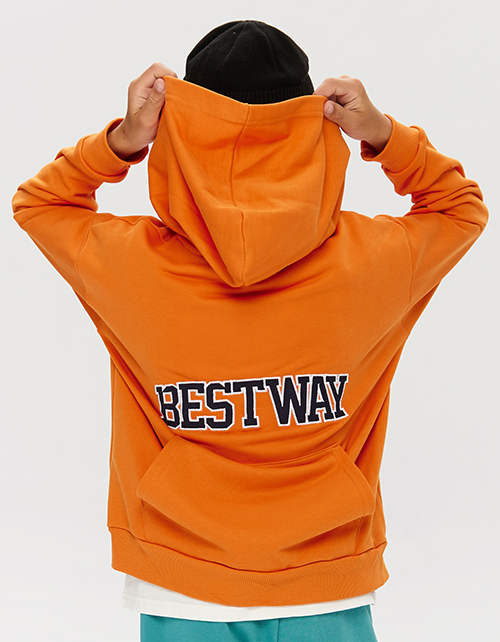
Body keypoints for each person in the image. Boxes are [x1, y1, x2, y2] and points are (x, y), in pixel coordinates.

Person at [12, 19, 487, 642]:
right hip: (329, 580)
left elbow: (39, 203)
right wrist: (383, 135)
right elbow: (459, 208)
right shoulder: (376, 262)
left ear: (177, 129)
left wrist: (124, 141)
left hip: (181, 585)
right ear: (312, 129)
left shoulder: (132, 265)